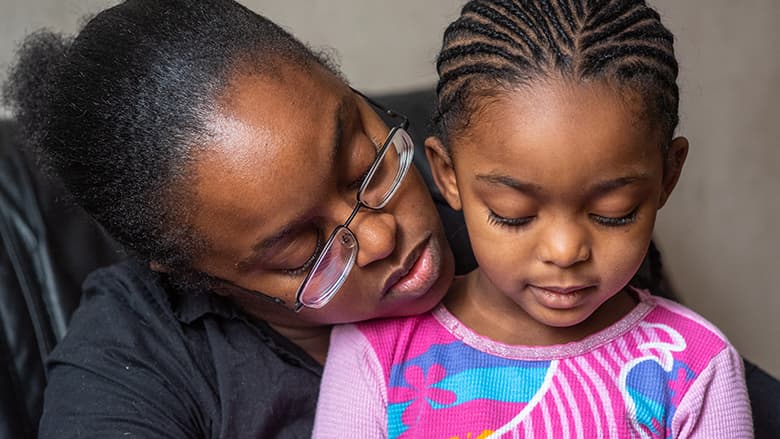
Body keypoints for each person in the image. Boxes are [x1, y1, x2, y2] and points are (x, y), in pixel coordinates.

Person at [2, 1, 458, 437]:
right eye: (302, 250)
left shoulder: (490, 191)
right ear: (197, 275)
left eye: (365, 167)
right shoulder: (131, 364)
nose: (382, 237)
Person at [312, 0, 753, 437]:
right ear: (448, 176)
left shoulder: (694, 366)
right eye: (513, 215)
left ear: (667, 177)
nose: (564, 251)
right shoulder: (378, 354)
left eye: (613, 214)